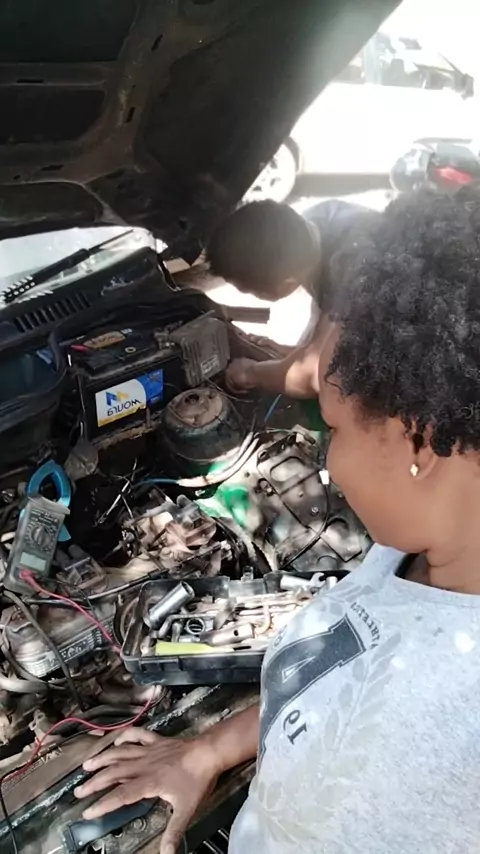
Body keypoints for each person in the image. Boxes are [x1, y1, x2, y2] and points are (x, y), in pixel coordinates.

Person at [75, 186, 480, 853]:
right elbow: (337, 677)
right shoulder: (424, 552)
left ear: (418, 441)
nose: (328, 462)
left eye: (334, 428)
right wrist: (206, 751)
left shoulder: (442, 747)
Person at [206, 198, 378, 398]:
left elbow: (316, 374)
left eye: (249, 291)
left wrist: (250, 373)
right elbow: (328, 325)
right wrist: (294, 353)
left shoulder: (353, 268)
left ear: (287, 284)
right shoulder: (305, 232)